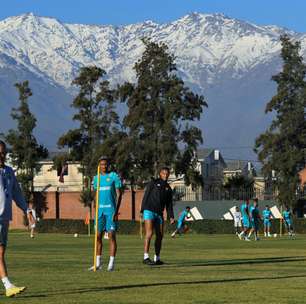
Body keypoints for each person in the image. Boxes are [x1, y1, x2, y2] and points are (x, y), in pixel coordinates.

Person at [0, 140, 33, 297]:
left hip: (5, 218)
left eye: (3, 152)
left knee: (0, 253)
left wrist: (27, 209)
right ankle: (8, 286)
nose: (2, 155)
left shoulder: (9, 171)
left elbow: (17, 194)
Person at [89, 156, 123, 272]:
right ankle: (97, 264)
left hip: (111, 211)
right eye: (102, 164)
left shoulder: (114, 176)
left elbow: (119, 194)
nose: (104, 166)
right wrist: (93, 208)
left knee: (112, 236)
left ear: (109, 165)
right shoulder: (95, 178)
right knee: (98, 237)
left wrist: (116, 211)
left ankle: (111, 264)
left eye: (106, 164)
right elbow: (94, 195)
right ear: (99, 166)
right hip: (99, 212)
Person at [141, 167, 175, 265]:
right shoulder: (154, 183)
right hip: (149, 210)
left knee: (160, 236)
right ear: (160, 173)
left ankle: (157, 258)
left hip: (159, 213)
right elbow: (146, 196)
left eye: (167, 173)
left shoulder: (168, 188)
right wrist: (142, 210)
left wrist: (171, 216)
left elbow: (169, 204)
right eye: (164, 173)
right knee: (149, 233)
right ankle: (146, 257)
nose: (165, 175)